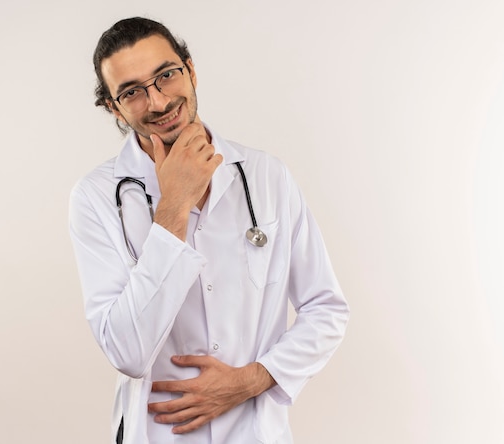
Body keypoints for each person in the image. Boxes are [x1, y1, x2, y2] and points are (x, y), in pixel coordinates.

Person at [69, 17, 350, 444]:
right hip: (159, 434)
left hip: (255, 432)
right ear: (114, 107)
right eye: (132, 92)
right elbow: (126, 352)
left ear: (190, 70)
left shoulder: (266, 177)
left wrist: (254, 379)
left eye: (166, 75)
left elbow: (326, 309)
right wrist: (173, 208)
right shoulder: (95, 198)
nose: (159, 101)